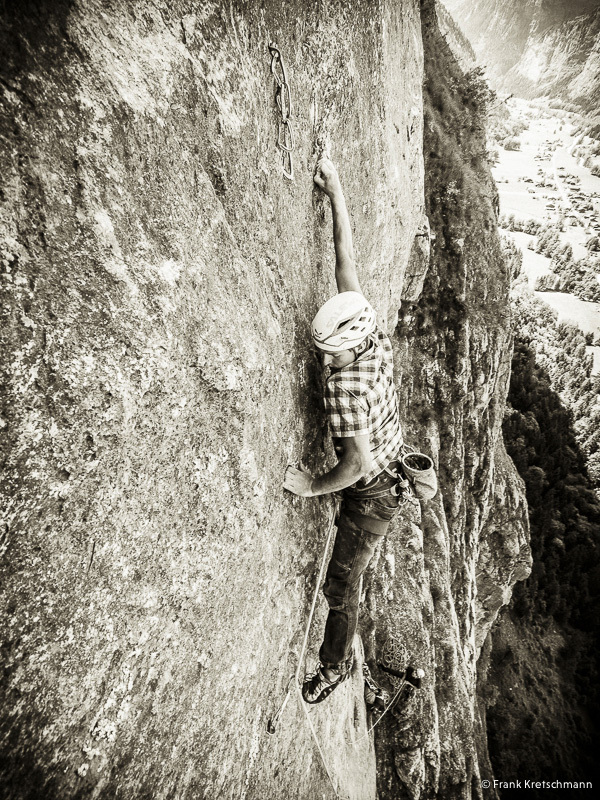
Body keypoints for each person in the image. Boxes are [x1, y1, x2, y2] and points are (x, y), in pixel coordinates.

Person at [284, 157, 405, 704]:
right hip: (389, 466)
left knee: (341, 583)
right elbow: (345, 258)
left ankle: (334, 668)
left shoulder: (344, 387)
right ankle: (339, 660)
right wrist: (335, 189)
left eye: (328, 353)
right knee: (348, 573)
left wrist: (311, 485)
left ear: (347, 347)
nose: (324, 360)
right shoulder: (367, 326)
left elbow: (353, 466)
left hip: (372, 492)